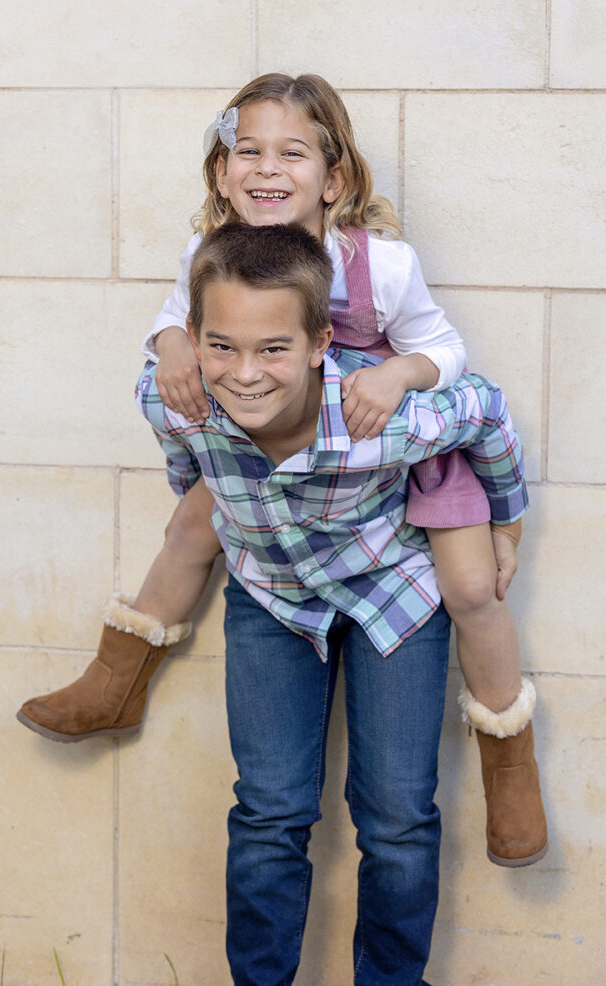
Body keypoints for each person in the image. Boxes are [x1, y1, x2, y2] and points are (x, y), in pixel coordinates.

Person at [17, 72, 546, 868]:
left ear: (333, 179)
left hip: (393, 438)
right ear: (223, 174)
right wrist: (169, 350)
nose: (266, 169)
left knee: (471, 588)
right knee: (196, 516)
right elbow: (172, 324)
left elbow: (446, 352)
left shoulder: (380, 265)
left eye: (290, 152)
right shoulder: (208, 254)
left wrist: (397, 378)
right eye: (248, 152)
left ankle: (508, 750)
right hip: (262, 440)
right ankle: (116, 679)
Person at [140, 221, 529, 985]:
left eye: (273, 349)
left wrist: (506, 520)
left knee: (396, 820)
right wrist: (211, 502)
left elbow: (485, 411)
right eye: (221, 346)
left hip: (392, 595)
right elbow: (184, 461)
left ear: (321, 343)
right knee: (268, 812)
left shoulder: (381, 422)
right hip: (273, 594)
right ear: (191, 339)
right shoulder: (172, 402)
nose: (246, 373)